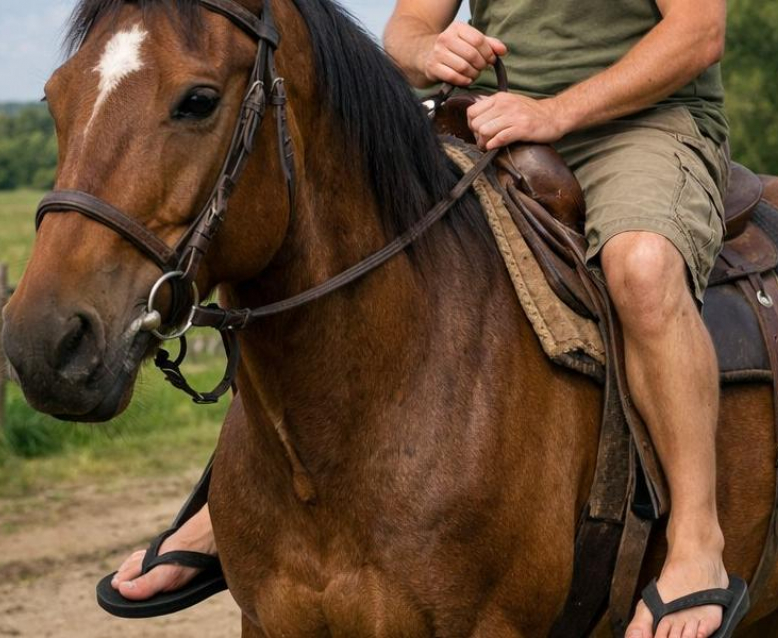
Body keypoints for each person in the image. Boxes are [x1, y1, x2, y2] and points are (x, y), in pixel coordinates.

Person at [112, 1, 738, 636]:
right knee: (323, 239)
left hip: (639, 128)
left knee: (643, 268)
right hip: (490, 125)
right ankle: (234, 505)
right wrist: (427, 53)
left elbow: (697, 33)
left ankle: (696, 542)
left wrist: (554, 111)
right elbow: (407, 28)